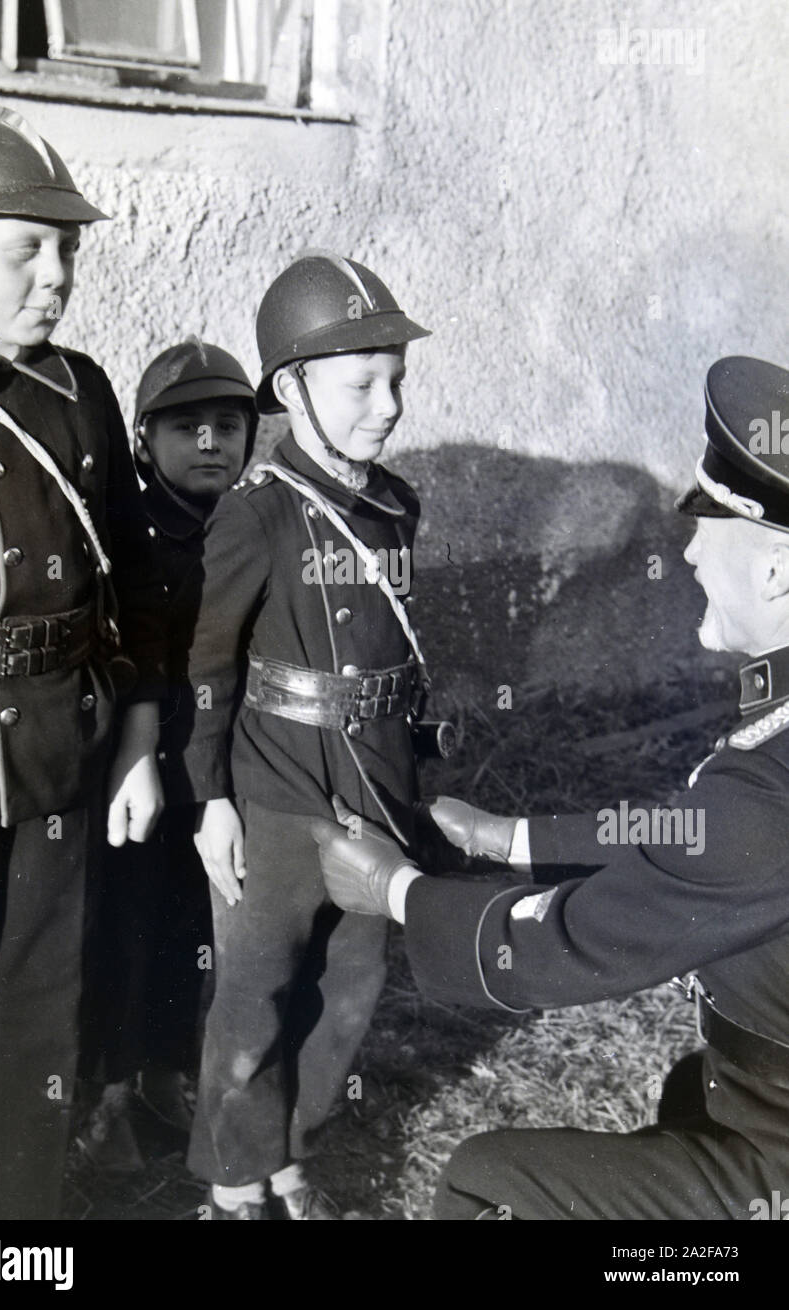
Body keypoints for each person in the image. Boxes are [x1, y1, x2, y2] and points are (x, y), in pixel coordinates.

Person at [313, 355, 789, 1221]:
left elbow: (571, 942)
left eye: (706, 528)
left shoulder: (765, 794)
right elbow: (698, 839)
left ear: (773, 573)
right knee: (688, 1095)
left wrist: (395, 891)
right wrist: (513, 839)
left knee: (485, 1178)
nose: (684, 552)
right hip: (764, 1098)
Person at [0, 106, 166, 1220]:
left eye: (68, 247)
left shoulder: (85, 392)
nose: (56, 275)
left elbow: (138, 585)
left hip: (69, 742)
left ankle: (17, 1236)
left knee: (43, 1012)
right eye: (25, 248)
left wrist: (144, 739)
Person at [182, 250, 431, 1219]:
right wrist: (211, 800)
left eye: (398, 380)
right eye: (362, 382)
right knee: (254, 991)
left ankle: (291, 1151)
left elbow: (399, 653)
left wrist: (421, 764)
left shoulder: (396, 507)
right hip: (278, 788)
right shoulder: (256, 514)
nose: (389, 405)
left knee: (354, 979)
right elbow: (205, 666)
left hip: (371, 784)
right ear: (292, 389)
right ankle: (235, 1181)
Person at [80, 338, 257, 1170]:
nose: (211, 442)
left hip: (215, 777)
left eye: (228, 424)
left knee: (192, 930)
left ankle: (164, 1071)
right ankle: (108, 1096)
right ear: (144, 441)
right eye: (187, 427)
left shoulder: (252, 529)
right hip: (132, 773)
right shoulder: (131, 531)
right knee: (124, 928)